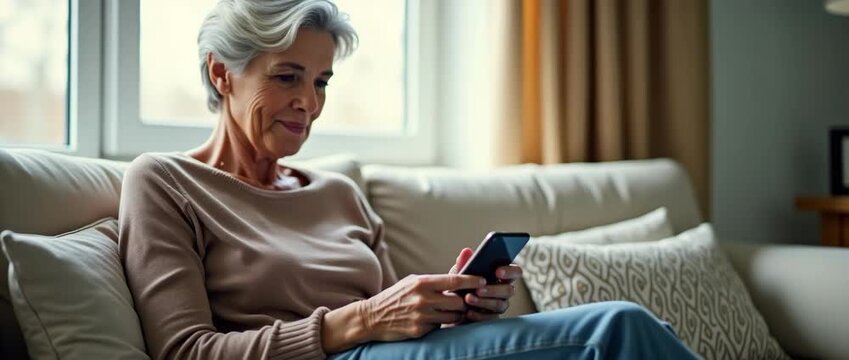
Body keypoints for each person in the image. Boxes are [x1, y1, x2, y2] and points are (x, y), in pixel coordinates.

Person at [118, 1, 700, 359]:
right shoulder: (166, 183)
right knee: (617, 329)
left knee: (639, 335)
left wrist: (455, 304)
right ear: (222, 73)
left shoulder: (337, 193)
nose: (308, 104)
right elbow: (186, 352)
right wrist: (361, 321)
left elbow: (395, 317)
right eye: (288, 77)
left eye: (321, 82)